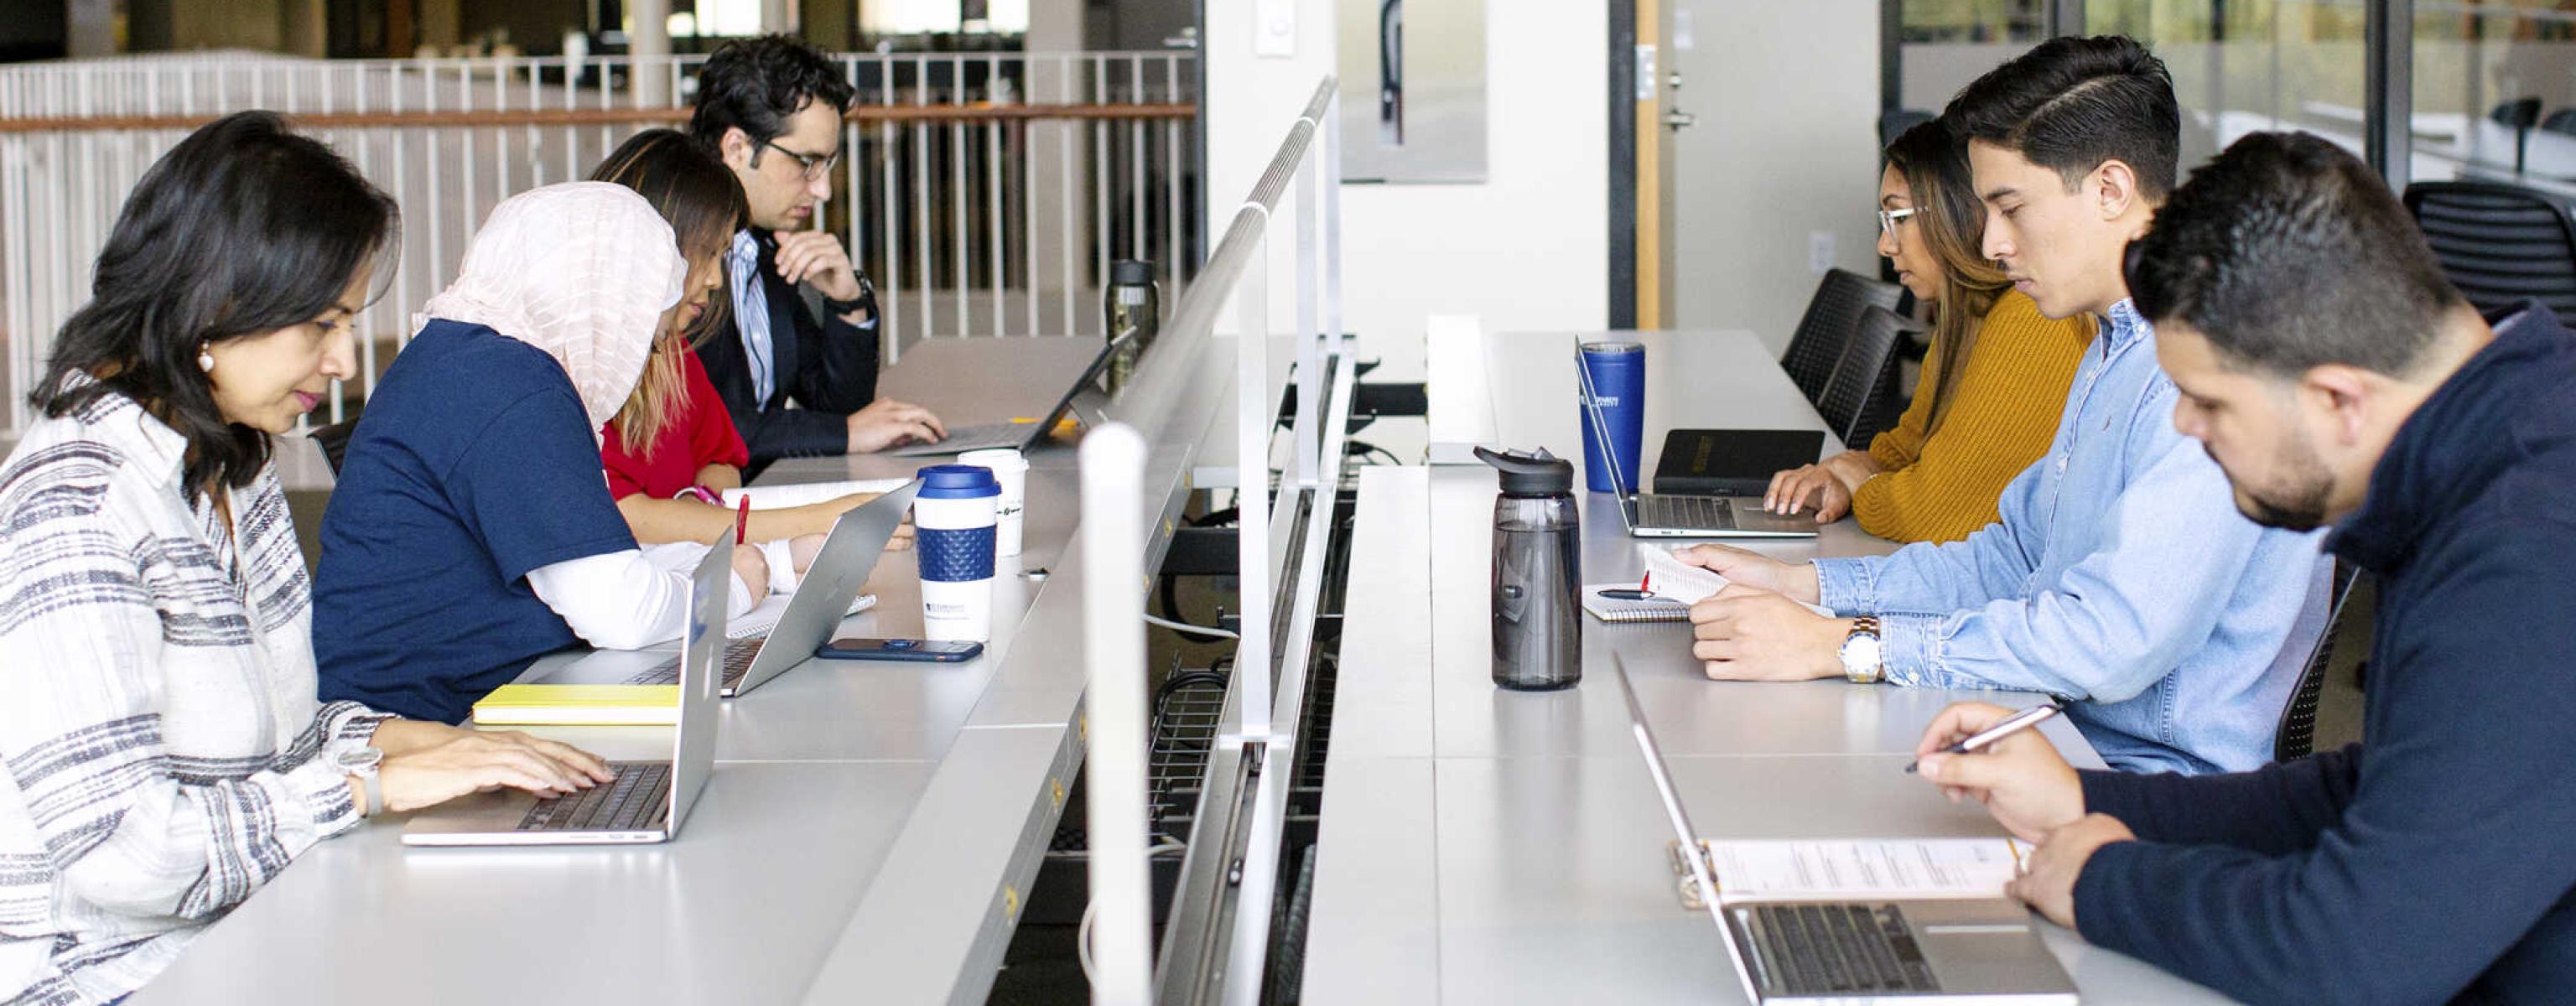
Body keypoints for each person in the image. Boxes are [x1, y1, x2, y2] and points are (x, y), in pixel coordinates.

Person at [1913, 131, 2576, 1004]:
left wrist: (2104, 879)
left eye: (2209, 398)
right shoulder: (2496, 448)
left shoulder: (2527, 546)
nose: (2186, 428)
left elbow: (2360, 953)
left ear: (2338, 398)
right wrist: (2084, 797)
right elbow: (2384, 787)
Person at [0, 112, 610, 1006]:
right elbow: (121, 858)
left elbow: (269, 740)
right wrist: (373, 787)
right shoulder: (75, 505)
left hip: (244, 925)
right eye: (322, 325)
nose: (345, 358)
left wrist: (430, 744)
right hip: (100, 975)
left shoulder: (231, 467)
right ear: (217, 305)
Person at [1678, 36, 2328, 775]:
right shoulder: (2110, 345)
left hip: (2137, 782)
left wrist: (1847, 645)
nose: (1990, 244)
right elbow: (2015, 555)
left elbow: (2109, 641)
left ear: (2111, 190)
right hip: (2046, 728)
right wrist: (1806, 586)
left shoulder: (2205, 374)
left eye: (2010, 207)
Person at [314, 182, 775, 725]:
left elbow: (602, 562)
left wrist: (769, 564)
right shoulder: (511, 386)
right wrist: (734, 591)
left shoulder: (474, 358)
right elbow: (618, 612)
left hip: (477, 698)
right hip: (427, 729)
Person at [587, 128, 908, 568]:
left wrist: (701, 509)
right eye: (706, 254)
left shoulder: (673, 354)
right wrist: (819, 518)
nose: (717, 280)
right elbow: (628, 515)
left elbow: (721, 456)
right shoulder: (582, 369)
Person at [1763, 119, 2093, 542]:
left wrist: (1864, 486)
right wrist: (1840, 475)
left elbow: (1932, 516)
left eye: (1898, 217)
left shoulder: (2032, 318)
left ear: (1962, 212)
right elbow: (1907, 448)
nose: (1885, 244)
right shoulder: (1967, 316)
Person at [688, 34, 945, 468]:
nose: (823, 189)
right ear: (736, 149)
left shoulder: (764, 246)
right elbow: (707, 429)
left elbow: (837, 407)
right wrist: (844, 433)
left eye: (828, 165)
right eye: (807, 164)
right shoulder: (676, 256)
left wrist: (847, 302)